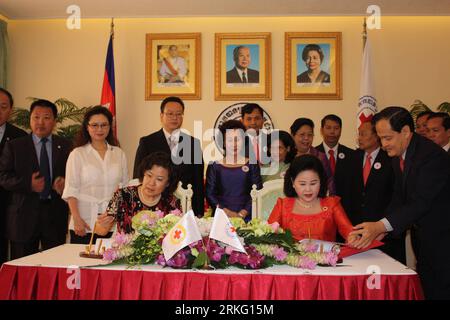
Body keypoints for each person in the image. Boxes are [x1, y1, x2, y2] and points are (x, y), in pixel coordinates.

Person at [349, 106, 450, 300]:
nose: (384, 144)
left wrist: (380, 225)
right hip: (424, 242)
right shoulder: (398, 155)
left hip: (443, 241)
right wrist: (380, 229)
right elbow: (398, 198)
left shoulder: (431, 156)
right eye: (381, 139)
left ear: (405, 132)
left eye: (388, 138)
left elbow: (420, 202)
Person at [0, 99, 72, 259]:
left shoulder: (66, 146)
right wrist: (28, 184)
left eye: (46, 117)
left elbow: (75, 176)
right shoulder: (15, 146)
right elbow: (3, 177)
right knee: (23, 269)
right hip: (23, 217)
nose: (41, 122)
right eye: (36, 117)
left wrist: (66, 183)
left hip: (54, 216)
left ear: (54, 121)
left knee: (54, 266)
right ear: (30, 119)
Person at [62, 106, 129, 244]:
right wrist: (76, 218)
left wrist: (117, 215)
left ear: (110, 127)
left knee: (109, 262)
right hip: (84, 220)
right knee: (82, 262)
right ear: (87, 127)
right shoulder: (77, 154)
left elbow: (125, 188)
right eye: (94, 125)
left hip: (111, 221)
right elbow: (71, 189)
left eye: (104, 125)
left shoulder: (118, 153)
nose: (99, 129)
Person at [343, 120, 405, 263]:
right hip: (357, 232)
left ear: (377, 136)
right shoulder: (351, 158)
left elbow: (397, 196)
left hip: (385, 233)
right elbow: (346, 194)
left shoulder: (392, 159)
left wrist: (384, 226)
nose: (359, 138)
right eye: (359, 134)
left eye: (363, 134)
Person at [133, 96, 204, 217]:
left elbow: (198, 183)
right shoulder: (147, 142)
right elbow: (138, 176)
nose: (174, 117)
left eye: (178, 114)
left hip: (184, 208)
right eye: (170, 114)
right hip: (153, 208)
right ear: (161, 116)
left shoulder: (193, 144)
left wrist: (198, 213)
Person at [268, 155, 357, 243]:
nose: (308, 189)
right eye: (302, 184)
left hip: (326, 256)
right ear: (293, 182)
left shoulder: (332, 204)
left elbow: (349, 231)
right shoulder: (282, 205)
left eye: (313, 183)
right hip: (291, 257)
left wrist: (353, 238)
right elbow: (268, 235)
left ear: (321, 181)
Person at [97, 152, 181, 235]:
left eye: (159, 179)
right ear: (143, 174)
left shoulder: (172, 203)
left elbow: (177, 237)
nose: (151, 183)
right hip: (124, 247)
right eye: (149, 175)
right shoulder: (123, 196)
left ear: (168, 183)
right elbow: (101, 231)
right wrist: (103, 224)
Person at [205, 120, 262, 221]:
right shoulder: (214, 166)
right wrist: (226, 212)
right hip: (221, 216)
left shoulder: (252, 164)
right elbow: (210, 194)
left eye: (238, 139)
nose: (234, 144)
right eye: (230, 140)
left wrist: (243, 213)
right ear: (223, 142)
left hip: (248, 216)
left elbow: (257, 190)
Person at [0, 88, 27, 264]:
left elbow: (23, 175)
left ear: (11, 110)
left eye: (3, 106)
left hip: (9, 207)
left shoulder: (20, 137)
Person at [290, 117, 336, 195]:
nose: (306, 138)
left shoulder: (320, 157)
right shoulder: (286, 156)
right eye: (302, 135)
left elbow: (330, 183)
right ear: (292, 136)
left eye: (310, 135)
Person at [315, 114, 354, 198]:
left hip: (345, 206)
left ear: (341, 130)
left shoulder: (352, 155)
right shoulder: (313, 154)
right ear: (321, 130)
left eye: (336, 128)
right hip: (319, 204)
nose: (332, 132)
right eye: (328, 128)